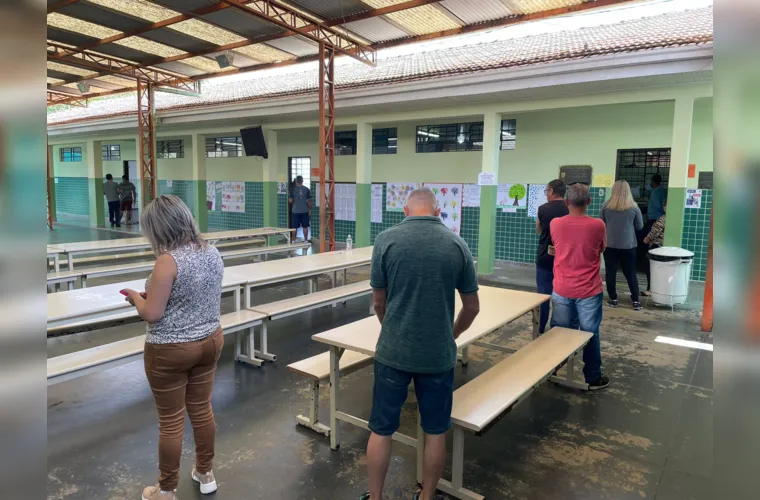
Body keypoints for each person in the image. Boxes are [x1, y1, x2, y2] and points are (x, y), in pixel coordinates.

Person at [361, 188, 480, 500]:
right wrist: (449, 336)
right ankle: (426, 497)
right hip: (437, 356)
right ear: (438, 210)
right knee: (435, 430)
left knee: (381, 428)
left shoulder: (386, 240)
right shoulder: (457, 244)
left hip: (393, 352)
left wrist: (393, 330)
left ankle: (375, 497)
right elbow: (472, 308)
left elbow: (378, 301)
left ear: (405, 209)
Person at [121, 195, 224, 500]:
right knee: (203, 410)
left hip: (171, 349)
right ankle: (205, 474)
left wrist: (135, 298)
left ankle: (165, 491)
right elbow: (194, 295)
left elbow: (152, 313)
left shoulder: (168, 260)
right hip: (210, 341)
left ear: (158, 228)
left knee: (170, 421)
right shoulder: (211, 251)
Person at [549, 183, 609, 390]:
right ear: (589, 202)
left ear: (566, 202)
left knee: (559, 331)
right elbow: (603, 247)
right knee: (590, 333)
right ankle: (592, 377)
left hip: (562, 287)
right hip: (589, 290)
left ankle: (553, 369)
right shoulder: (598, 225)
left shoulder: (556, 224)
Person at [600, 180, 644, 310]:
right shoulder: (634, 207)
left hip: (610, 244)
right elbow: (640, 226)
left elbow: (600, 223)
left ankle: (613, 299)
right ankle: (636, 301)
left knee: (611, 272)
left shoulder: (606, 206)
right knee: (630, 272)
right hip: (628, 245)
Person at [535, 179, 569, 334]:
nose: (546, 193)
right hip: (565, 258)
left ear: (552, 191)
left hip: (545, 258)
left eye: (546, 191)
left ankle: (540, 328)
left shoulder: (543, 209)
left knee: (543, 294)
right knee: (562, 295)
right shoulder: (570, 208)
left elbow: (538, 230)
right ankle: (557, 329)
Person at [643, 200, 667, 296]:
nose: (664, 207)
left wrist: (647, 239)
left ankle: (651, 289)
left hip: (656, 246)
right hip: (663, 247)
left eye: (665, 205)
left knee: (649, 268)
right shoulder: (675, 217)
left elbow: (654, 232)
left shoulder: (663, 219)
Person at [289, 175, 311, 241]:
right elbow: (309, 202)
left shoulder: (293, 189)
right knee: (305, 226)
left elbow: (290, 200)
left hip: (295, 211)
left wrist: (294, 202)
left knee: (294, 227)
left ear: (296, 181)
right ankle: (306, 240)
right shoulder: (307, 189)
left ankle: (293, 241)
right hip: (305, 210)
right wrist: (309, 210)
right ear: (302, 181)